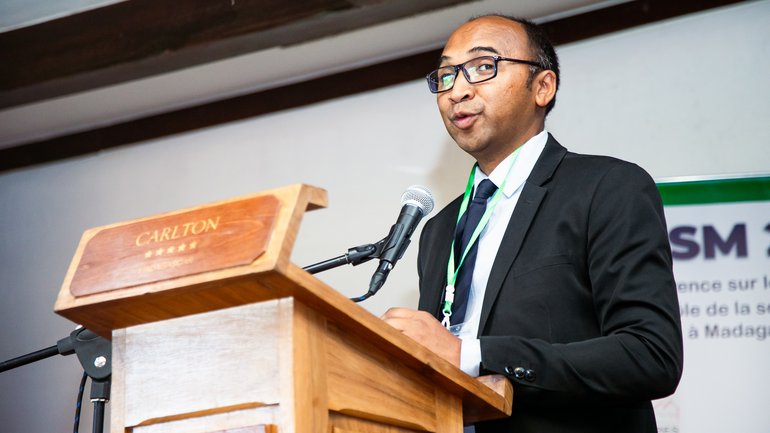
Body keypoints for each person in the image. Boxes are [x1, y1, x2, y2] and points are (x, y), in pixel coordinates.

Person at [381, 15, 683, 433]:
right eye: (446, 74)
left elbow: (651, 356)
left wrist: (471, 354)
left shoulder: (608, 187)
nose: (458, 91)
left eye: (483, 67)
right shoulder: (438, 230)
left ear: (543, 87)